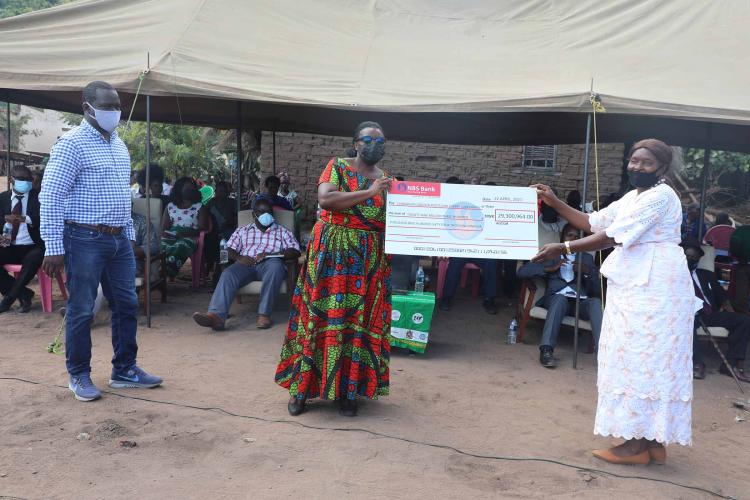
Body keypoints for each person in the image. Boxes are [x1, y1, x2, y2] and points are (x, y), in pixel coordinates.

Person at [533, 138, 693, 464]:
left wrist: (562, 249)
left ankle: (636, 446)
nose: (636, 167)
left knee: (644, 359)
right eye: (634, 161)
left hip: (655, 290)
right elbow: (593, 223)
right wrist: (554, 200)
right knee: (636, 356)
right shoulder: (635, 196)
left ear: (662, 167)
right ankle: (650, 441)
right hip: (635, 284)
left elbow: (611, 236)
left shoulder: (661, 197)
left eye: (645, 163)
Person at [40, 80, 162, 402]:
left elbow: (123, 196)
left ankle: (125, 369)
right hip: (83, 238)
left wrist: (129, 235)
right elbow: (51, 196)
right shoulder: (72, 144)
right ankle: (79, 374)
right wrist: (53, 247)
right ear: (87, 108)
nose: (114, 112)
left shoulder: (119, 145)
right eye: (107, 106)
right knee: (81, 310)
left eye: (117, 106)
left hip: (119, 239)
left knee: (127, 304)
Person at [275, 121, 392, 418]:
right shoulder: (337, 167)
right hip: (331, 255)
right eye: (368, 139)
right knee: (318, 318)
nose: (374, 145)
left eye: (380, 141)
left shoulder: (386, 181)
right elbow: (327, 199)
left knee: (356, 324)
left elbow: (392, 220)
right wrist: (371, 191)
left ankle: (347, 392)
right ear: (355, 142)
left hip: (366, 261)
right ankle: (301, 390)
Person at [193, 198, 300, 330]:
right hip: (246, 263)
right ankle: (216, 317)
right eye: (261, 212)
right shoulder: (242, 231)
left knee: (275, 267)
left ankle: (264, 314)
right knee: (228, 274)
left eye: (269, 211)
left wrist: (271, 254)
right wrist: (239, 257)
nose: (265, 214)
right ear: (253, 214)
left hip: (270, 263)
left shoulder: (283, 232)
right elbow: (229, 248)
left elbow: (295, 251)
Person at [518, 224, 603, 367]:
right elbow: (522, 272)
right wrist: (549, 268)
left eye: (577, 237)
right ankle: (546, 350)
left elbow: (597, 290)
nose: (573, 239)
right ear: (562, 238)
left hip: (579, 303)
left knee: (595, 302)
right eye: (570, 235)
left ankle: (604, 354)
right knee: (560, 298)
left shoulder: (586, 258)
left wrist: (587, 272)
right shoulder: (551, 254)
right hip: (555, 300)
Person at [682, 238, 750, 382]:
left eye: (694, 257)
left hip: (708, 314)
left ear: (699, 259)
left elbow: (721, 295)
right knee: (687, 323)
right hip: (687, 315)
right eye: (688, 256)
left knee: (743, 320)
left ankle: (730, 365)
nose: (691, 259)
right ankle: (697, 363)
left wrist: (729, 309)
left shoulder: (706, 275)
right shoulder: (674, 276)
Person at [0, 165, 44, 313]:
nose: (27, 182)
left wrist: (23, 218)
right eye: (22, 179)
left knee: (33, 259)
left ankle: (9, 298)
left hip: (33, 245)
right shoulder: (3, 198)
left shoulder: (39, 197)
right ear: (12, 179)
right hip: (8, 243)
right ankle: (24, 293)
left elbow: (44, 219)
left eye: (29, 179)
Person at [160, 176, 209, 278]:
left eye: (191, 188)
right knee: (160, 246)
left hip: (190, 237)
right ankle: (158, 270)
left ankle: (168, 271)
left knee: (180, 246)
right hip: (172, 235)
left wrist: (184, 234)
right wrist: (166, 233)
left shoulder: (199, 206)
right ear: (179, 189)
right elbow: (164, 227)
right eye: (186, 187)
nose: (189, 190)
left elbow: (201, 228)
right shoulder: (170, 206)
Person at [204, 181, 238, 284]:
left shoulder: (232, 202)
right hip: (213, 231)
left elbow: (237, 218)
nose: (220, 193)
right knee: (210, 243)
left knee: (225, 245)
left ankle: (221, 272)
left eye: (223, 191)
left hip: (229, 230)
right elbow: (205, 217)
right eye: (218, 191)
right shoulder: (211, 203)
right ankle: (211, 269)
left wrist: (229, 221)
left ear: (228, 192)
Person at [730, 225, 750, 314]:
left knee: (741, 291)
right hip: (743, 265)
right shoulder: (741, 231)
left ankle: (741, 310)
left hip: (742, 265)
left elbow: (734, 244)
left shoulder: (741, 231)